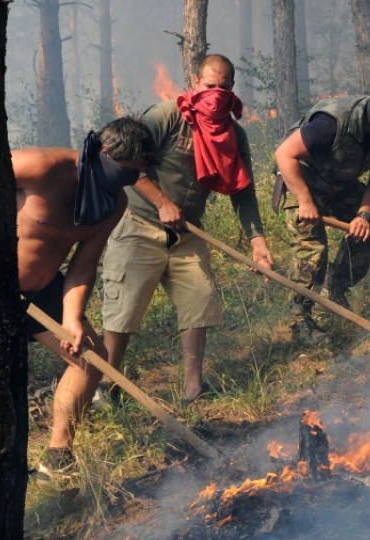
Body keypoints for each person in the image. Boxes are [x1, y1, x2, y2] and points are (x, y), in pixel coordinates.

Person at [100, 54, 274, 405]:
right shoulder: (165, 117)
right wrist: (162, 201)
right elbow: (124, 162)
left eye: (224, 88)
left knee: (200, 302)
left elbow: (244, 191)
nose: (216, 94)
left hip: (188, 235)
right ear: (196, 81)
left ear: (232, 88)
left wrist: (258, 241)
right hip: (139, 226)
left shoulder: (233, 136)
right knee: (123, 311)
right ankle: (106, 386)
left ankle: (193, 390)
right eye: (210, 86)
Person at [16, 116, 156, 479]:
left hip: (41, 292)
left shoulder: (114, 204)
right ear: (102, 152)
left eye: (135, 175)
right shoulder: (42, 167)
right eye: (125, 172)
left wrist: (72, 317)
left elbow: (84, 263)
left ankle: (57, 458)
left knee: (91, 357)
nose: (127, 183)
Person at [273, 91, 370, 341]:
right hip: (303, 181)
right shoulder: (330, 124)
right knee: (312, 248)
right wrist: (305, 201)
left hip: (339, 182)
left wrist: (363, 216)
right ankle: (299, 320)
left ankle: (335, 288)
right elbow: (284, 155)